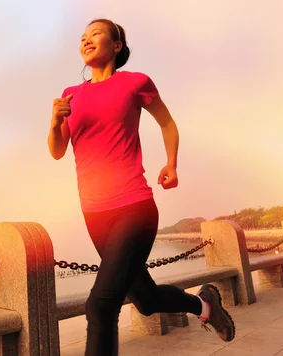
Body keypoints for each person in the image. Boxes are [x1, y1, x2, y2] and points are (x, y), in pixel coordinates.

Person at [47, 19, 235, 355]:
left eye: (96, 34)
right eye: (82, 37)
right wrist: (55, 122)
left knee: (100, 305)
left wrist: (171, 164)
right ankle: (205, 306)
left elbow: (167, 122)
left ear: (116, 46)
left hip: (134, 206)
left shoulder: (135, 83)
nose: (86, 40)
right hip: (94, 213)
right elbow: (58, 150)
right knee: (146, 301)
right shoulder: (70, 95)